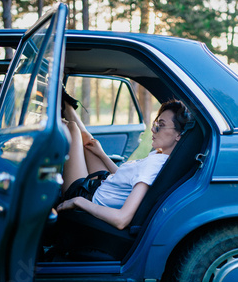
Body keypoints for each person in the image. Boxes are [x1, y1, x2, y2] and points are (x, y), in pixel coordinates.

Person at [56, 96, 191, 231]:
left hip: (87, 195)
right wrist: (101, 154)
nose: (153, 130)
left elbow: (122, 219)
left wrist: (78, 201)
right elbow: (125, 179)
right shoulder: (162, 156)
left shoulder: (154, 165)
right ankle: (66, 102)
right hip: (104, 184)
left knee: (71, 128)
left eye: (161, 125)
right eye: (156, 124)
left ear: (179, 135)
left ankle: (60, 100)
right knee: (87, 140)